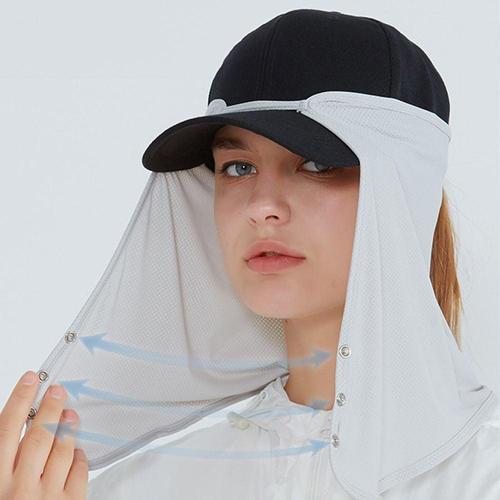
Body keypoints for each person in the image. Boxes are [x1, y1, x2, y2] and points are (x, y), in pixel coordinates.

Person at [3, 8, 499, 500]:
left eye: (316, 164)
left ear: (404, 188)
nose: (261, 207)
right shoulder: (142, 487)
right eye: (238, 167)